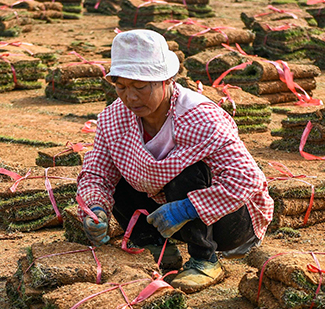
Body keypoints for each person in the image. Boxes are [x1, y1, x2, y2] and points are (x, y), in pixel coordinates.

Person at [77, 30, 273, 293]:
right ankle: (155, 246)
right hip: (166, 220)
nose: (130, 97)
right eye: (121, 87)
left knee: (188, 171)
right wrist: (95, 209)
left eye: (140, 87)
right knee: (120, 169)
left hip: (228, 223)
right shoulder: (114, 118)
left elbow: (247, 178)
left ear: (166, 80)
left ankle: (206, 260)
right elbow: (97, 174)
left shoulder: (199, 117)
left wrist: (187, 209)